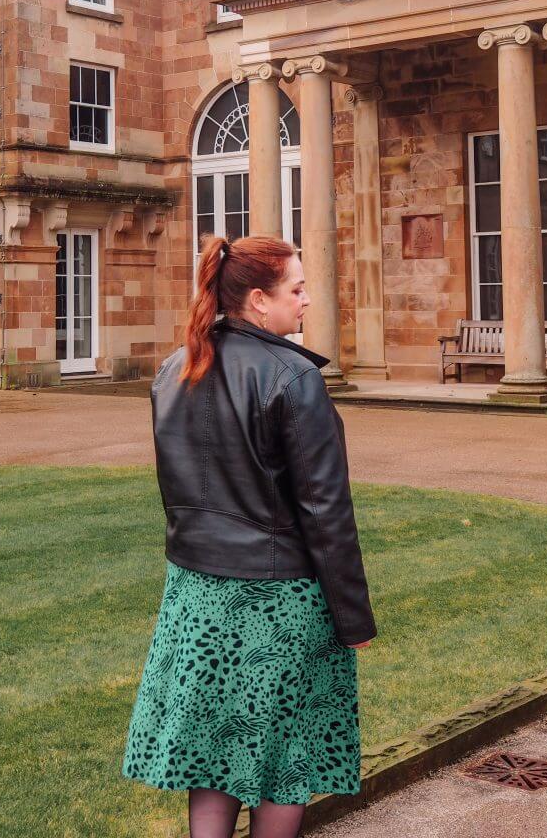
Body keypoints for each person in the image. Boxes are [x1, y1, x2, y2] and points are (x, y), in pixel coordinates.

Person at [121, 234, 377, 838]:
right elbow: (326, 512)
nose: (308, 300)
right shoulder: (293, 378)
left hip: (197, 596)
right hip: (278, 600)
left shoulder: (174, 367)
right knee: (284, 762)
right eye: (297, 288)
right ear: (260, 301)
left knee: (215, 756)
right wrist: (354, 620)